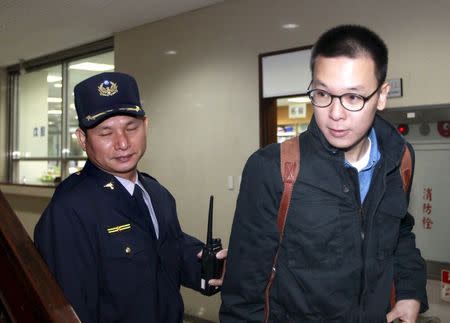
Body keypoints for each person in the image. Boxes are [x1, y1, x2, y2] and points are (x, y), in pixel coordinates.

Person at [220, 25, 428, 322]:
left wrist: (410, 291)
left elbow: (400, 234)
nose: (336, 113)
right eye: (322, 94)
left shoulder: (400, 159)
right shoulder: (272, 169)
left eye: (353, 98)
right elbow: (244, 290)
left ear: (381, 96)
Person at [34, 72, 226, 323]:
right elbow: (70, 310)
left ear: (146, 126)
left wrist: (207, 265)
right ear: (83, 139)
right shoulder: (70, 209)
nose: (122, 143)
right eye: (105, 133)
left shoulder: (156, 193)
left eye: (131, 128)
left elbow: (166, 252)